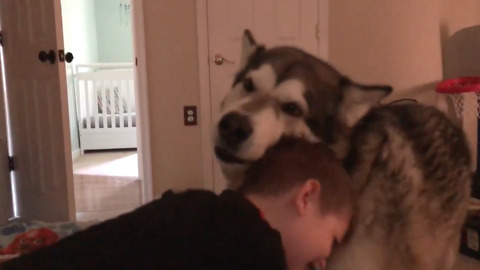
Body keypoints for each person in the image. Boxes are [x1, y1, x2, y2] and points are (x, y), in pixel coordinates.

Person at [1, 139, 352, 270]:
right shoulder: (255, 243)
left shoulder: (199, 207)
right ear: (306, 197)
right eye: (333, 239)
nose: (324, 261)